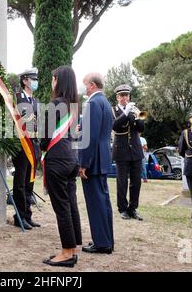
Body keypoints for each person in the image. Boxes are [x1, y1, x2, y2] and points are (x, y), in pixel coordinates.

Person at [41, 65, 81, 268]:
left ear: (58, 81)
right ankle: (72, 249)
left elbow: (44, 135)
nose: (51, 82)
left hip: (57, 160)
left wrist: (41, 147)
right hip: (71, 159)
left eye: (53, 78)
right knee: (70, 204)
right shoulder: (74, 106)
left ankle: (66, 253)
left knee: (62, 207)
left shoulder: (55, 104)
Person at [78, 73, 114, 255]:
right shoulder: (106, 103)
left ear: (92, 85)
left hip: (93, 161)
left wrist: (83, 163)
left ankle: (101, 243)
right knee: (103, 202)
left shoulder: (93, 103)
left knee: (96, 203)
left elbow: (89, 137)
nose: (85, 88)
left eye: (86, 84)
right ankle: (107, 240)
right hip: (102, 158)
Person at [12, 68, 41, 230]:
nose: (35, 82)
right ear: (25, 81)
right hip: (22, 145)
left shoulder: (35, 101)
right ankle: (19, 216)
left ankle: (27, 215)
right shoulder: (17, 98)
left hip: (34, 144)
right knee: (20, 183)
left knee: (30, 182)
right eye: (32, 79)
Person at [112, 84, 145, 221]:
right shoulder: (113, 110)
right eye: (122, 95)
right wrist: (125, 114)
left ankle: (133, 208)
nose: (124, 98)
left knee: (136, 182)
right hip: (121, 151)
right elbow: (114, 126)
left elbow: (141, 128)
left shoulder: (134, 111)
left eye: (126, 95)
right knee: (122, 182)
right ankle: (123, 208)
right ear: (117, 97)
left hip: (136, 151)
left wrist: (136, 116)